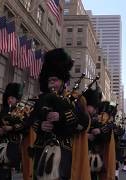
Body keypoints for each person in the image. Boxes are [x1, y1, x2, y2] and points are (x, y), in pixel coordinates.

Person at [30, 48, 89, 180]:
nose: (52, 84)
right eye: (50, 80)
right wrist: (40, 125)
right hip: (41, 148)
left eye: (55, 80)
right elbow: (32, 120)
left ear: (63, 81)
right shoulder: (41, 99)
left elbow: (83, 122)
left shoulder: (75, 98)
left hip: (64, 149)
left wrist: (61, 116)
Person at [0, 83, 26, 180]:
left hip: (14, 144)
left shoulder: (22, 111)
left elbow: (25, 125)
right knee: (1, 171)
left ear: (17, 99)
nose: (9, 100)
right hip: (2, 143)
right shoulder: (2, 112)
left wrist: (12, 128)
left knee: (6, 170)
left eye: (12, 98)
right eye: (8, 98)